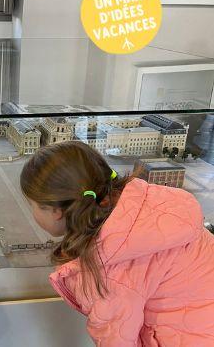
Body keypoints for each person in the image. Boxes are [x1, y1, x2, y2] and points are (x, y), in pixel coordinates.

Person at [20, 141, 214, 345]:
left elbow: (116, 339)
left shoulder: (104, 267)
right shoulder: (145, 205)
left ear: (56, 212)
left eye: (32, 205)